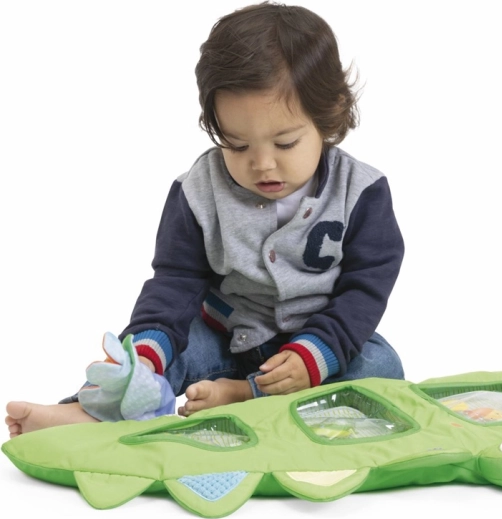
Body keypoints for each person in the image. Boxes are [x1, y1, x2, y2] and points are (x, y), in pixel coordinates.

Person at [5, 1, 404, 438]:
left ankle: (247, 396)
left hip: (314, 349)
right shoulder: (196, 190)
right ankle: (90, 410)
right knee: (148, 354)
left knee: (381, 365)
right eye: (237, 145)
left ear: (329, 114)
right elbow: (175, 282)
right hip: (224, 340)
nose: (262, 164)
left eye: (286, 143)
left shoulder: (361, 191)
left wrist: (317, 354)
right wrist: (147, 354)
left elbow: (365, 289)